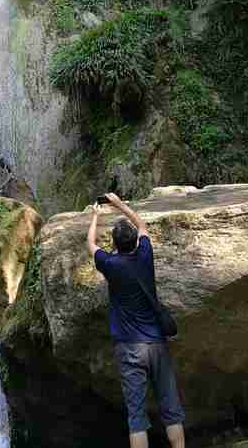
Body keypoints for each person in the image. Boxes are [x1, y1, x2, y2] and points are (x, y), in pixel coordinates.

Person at [87, 192, 185, 448]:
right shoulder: (144, 255)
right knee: (171, 409)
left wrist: (96, 217)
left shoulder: (110, 264)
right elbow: (142, 225)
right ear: (135, 242)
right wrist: (119, 204)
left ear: (116, 245)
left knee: (137, 417)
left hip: (129, 348)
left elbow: (91, 245)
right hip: (156, 344)